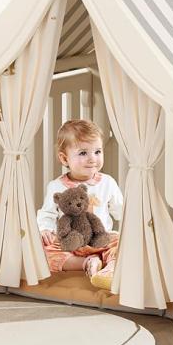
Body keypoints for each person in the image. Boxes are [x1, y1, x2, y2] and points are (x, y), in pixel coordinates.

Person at [37, 119, 123, 290]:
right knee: (42, 251)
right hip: (70, 244)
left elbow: (122, 211)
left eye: (97, 151)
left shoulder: (107, 182)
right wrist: (45, 229)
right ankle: (87, 263)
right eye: (83, 153)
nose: (92, 159)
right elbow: (47, 213)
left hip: (101, 239)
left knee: (121, 242)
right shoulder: (56, 186)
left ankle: (109, 271)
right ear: (64, 158)